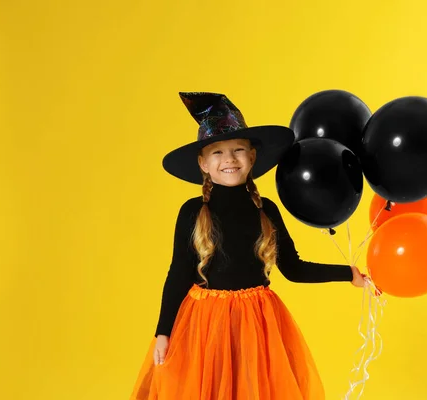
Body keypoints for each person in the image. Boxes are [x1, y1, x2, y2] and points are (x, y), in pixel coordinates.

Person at [130, 92, 365, 400]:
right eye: (217, 153)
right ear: (203, 163)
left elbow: (293, 269)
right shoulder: (192, 211)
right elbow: (179, 273)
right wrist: (163, 331)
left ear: (252, 156)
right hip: (205, 325)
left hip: (258, 323)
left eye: (238, 150)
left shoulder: (265, 210)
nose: (229, 159)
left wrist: (348, 273)